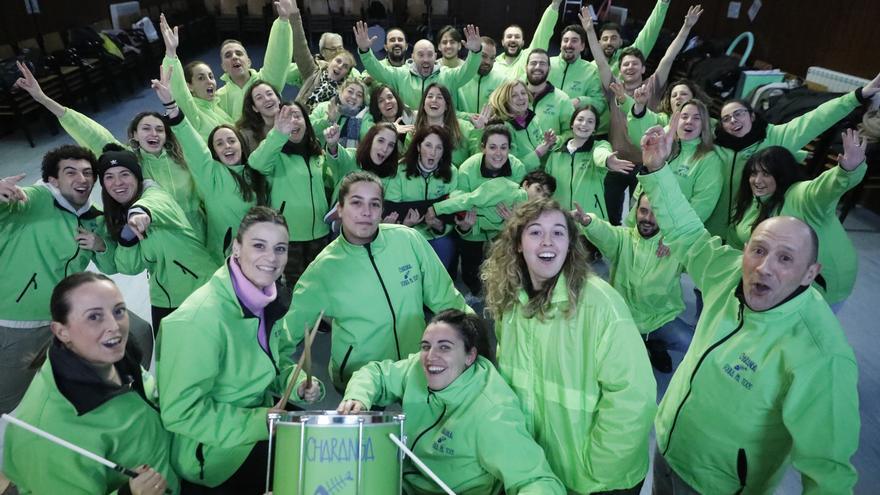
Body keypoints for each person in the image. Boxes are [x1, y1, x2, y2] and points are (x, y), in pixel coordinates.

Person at [638, 118, 859, 495]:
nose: (764, 267)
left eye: (786, 259)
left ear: (810, 274)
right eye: (758, 250)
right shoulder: (728, 275)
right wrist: (657, 169)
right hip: (669, 448)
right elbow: (688, 233)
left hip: (721, 485)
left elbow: (828, 470)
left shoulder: (822, 354)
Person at [482, 198, 657, 493]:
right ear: (518, 244)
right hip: (539, 471)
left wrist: (597, 467)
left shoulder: (601, 306)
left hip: (596, 481)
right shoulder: (509, 303)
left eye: (558, 233)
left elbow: (634, 399)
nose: (547, 241)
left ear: (570, 244)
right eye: (535, 232)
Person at [158, 207, 322, 492]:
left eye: (280, 248)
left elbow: (272, 362)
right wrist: (260, 422)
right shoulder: (199, 320)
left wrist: (295, 386)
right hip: (213, 455)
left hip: (255, 420)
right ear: (237, 248)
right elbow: (179, 412)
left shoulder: (263, 299)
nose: (271, 258)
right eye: (259, 246)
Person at [338, 310, 566, 495]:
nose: (430, 356)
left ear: (470, 356)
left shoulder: (492, 412)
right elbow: (376, 374)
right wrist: (358, 396)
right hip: (403, 483)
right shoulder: (418, 368)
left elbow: (537, 480)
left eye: (444, 347)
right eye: (426, 346)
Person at [287, 171, 471, 391]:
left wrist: (475, 337)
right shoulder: (323, 270)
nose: (366, 212)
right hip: (361, 381)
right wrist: (297, 384)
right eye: (356, 203)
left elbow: (447, 299)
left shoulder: (408, 240)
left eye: (374, 204)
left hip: (417, 370)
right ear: (340, 209)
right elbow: (284, 338)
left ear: (382, 210)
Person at [3, 273, 178, 494]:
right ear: (61, 331)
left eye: (119, 310)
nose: (114, 325)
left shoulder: (110, 356)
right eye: (94, 317)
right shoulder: (48, 436)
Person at [14, 61, 206, 242]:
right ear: (135, 135)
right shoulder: (130, 161)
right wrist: (43, 98)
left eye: (159, 129)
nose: (153, 133)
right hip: (161, 236)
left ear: (167, 135)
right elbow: (91, 133)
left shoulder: (183, 156)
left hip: (201, 232)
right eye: (146, 128)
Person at [0, 145, 118, 414]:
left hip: (63, 323)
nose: (83, 179)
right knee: (8, 398)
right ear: (53, 179)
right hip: (18, 322)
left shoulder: (93, 217)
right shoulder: (36, 198)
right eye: (71, 172)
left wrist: (101, 246)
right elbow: (8, 206)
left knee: (136, 334)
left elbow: (110, 264)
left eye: (88, 173)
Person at [705, 71, 880, 239]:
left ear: (751, 116)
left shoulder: (775, 136)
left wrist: (857, 96)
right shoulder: (713, 143)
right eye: (726, 118)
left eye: (738, 114)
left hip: (750, 230)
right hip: (711, 226)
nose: (733, 120)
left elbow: (817, 118)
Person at [583, 4, 703, 224]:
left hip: (647, 163)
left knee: (639, 215)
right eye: (625, 64)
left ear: (643, 69)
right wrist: (590, 31)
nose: (629, 67)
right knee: (611, 214)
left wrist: (686, 27)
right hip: (617, 161)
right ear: (620, 69)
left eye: (635, 64)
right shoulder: (613, 88)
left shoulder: (652, 86)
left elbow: (668, 57)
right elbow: (600, 62)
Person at [729, 135, 867, 307]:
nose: (757, 181)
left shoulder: (801, 196)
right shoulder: (751, 202)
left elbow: (825, 188)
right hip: (778, 279)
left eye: (766, 174)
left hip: (825, 286)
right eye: (753, 173)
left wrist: (847, 170)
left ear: (780, 175)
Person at [154, 67, 270, 263]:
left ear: (241, 144)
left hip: (262, 255)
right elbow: (191, 141)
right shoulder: (210, 174)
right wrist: (171, 106)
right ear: (214, 152)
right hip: (227, 261)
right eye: (219, 143)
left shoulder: (256, 170)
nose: (227, 146)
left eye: (231, 141)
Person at [96, 147, 215, 332]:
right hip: (163, 297)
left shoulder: (156, 195)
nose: (117, 182)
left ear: (137, 177)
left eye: (124, 174)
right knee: (168, 357)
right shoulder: (116, 216)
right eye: (109, 177)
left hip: (200, 288)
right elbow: (129, 267)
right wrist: (125, 238)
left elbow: (153, 206)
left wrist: (139, 214)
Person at [573, 193, 686, 373]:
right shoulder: (623, 239)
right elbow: (606, 233)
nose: (647, 219)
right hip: (623, 320)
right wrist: (588, 222)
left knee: (689, 343)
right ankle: (636, 345)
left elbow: (701, 253)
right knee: (620, 368)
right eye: (643, 211)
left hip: (660, 319)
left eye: (655, 213)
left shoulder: (674, 246)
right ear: (635, 212)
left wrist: (680, 238)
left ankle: (656, 346)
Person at [432, 125, 531, 296]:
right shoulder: (467, 169)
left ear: (509, 149)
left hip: (504, 227)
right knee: (471, 271)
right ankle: (474, 292)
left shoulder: (517, 168)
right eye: (492, 147)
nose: (498, 153)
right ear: (483, 147)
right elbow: (462, 203)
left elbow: (518, 207)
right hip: (474, 228)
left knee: (508, 265)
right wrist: (467, 225)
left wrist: (511, 220)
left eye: (503, 147)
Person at [248, 103, 332, 287]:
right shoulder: (274, 154)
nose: (293, 121)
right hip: (289, 237)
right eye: (286, 117)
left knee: (321, 284)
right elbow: (255, 164)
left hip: (320, 233)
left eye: (297, 115)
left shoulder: (317, 154)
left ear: (306, 121)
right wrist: (278, 133)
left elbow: (330, 183)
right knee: (295, 288)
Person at [626, 99, 723, 223]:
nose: (689, 121)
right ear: (675, 121)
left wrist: (673, 236)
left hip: (671, 235)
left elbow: (702, 207)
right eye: (684, 116)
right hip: (642, 226)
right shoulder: (664, 147)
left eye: (696, 118)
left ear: (704, 125)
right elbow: (641, 190)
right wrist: (631, 221)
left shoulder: (709, 160)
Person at [353, 20, 483, 109]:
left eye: (429, 55)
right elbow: (377, 70)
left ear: (436, 57)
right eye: (420, 55)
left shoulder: (448, 76)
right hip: (409, 132)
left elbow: (468, 71)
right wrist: (365, 51)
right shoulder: (400, 74)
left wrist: (476, 52)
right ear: (413, 57)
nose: (425, 59)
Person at [385, 126, 459, 270]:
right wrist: (406, 225)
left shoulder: (452, 172)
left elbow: (453, 211)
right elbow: (391, 209)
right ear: (418, 147)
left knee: (443, 256)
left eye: (439, 148)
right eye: (428, 145)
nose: (433, 152)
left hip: (438, 235)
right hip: (408, 233)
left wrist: (439, 226)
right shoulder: (399, 171)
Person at [544, 105, 634, 221]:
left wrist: (607, 160)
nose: (584, 124)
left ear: (595, 128)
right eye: (580, 119)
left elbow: (601, 153)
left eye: (590, 121)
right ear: (572, 123)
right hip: (561, 223)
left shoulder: (599, 146)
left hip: (591, 223)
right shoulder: (556, 154)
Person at [214, 0, 294, 120]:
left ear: (249, 62)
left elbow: (278, 57)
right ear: (223, 67)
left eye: (239, 53)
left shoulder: (265, 81)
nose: (234, 57)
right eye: (228, 55)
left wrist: (283, 21)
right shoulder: (219, 98)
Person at [159, 14, 234, 139]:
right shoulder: (192, 112)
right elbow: (180, 92)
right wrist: (171, 53)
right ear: (190, 86)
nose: (209, 81)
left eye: (211, 76)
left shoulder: (218, 105)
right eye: (201, 78)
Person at [290, 2, 357, 109]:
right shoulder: (313, 70)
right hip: (301, 117)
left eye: (340, 49)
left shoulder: (349, 84)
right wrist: (293, 15)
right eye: (338, 61)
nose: (340, 66)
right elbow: (300, 46)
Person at [485, 80, 558, 170]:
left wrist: (548, 144)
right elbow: (510, 167)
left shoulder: (532, 118)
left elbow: (540, 147)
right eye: (514, 95)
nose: (521, 98)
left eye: (523, 93)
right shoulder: (502, 128)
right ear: (505, 101)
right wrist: (537, 153)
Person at [594, 0, 670, 77]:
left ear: (620, 42)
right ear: (599, 43)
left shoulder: (629, 57)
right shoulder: (589, 67)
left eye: (614, 38)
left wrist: (663, 3)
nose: (609, 42)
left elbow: (649, 33)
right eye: (605, 39)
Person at [410, 83, 479, 167]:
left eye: (439, 97)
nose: (434, 100)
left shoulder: (465, 128)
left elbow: (478, 159)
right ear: (423, 105)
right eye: (430, 96)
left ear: (447, 106)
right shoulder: (413, 131)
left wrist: (479, 130)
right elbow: (408, 162)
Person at [324, 121, 401, 195]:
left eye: (391, 145)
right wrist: (332, 145)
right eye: (380, 141)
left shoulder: (391, 176)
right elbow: (337, 156)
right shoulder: (353, 157)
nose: (385, 149)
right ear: (371, 140)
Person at [548, 24, 605, 118]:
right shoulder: (547, 64)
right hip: (544, 127)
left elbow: (599, 104)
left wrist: (580, 101)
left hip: (573, 129)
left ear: (582, 46)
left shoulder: (591, 71)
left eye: (574, 41)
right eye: (565, 40)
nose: (569, 45)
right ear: (560, 44)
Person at [494, 0, 561, 79]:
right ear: (502, 42)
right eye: (509, 36)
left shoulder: (528, 57)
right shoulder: (493, 64)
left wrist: (555, 5)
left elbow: (543, 33)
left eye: (517, 37)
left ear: (522, 43)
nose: (513, 39)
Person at [523, 49, 576, 137]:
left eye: (542, 63)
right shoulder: (514, 96)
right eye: (533, 63)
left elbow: (571, 131)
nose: (537, 67)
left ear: (549, 68)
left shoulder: (562, 99)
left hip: (551, 150)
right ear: (526, 67)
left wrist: (554, 142)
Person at [309, 77, 369, 148]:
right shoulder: (324, 106)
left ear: (362, 101)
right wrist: (328, 121)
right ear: (341, 92)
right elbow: (307, 129)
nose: (353, 97)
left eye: (359, 95)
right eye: (350, 91)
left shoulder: (364, 118)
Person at [457, 36, 505, 115]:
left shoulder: (502, 81)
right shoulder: (458, 77)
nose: (488, 62)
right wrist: (470, 120)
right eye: (483, 56)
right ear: (473, 54)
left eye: (492, 58)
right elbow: (452, 113)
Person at [235, 80, 283, 151]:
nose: (267, 99)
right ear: (255, 108)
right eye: (259, 98)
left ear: (278, 99)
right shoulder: (247, 136)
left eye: (269, 94)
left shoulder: (295, 120)